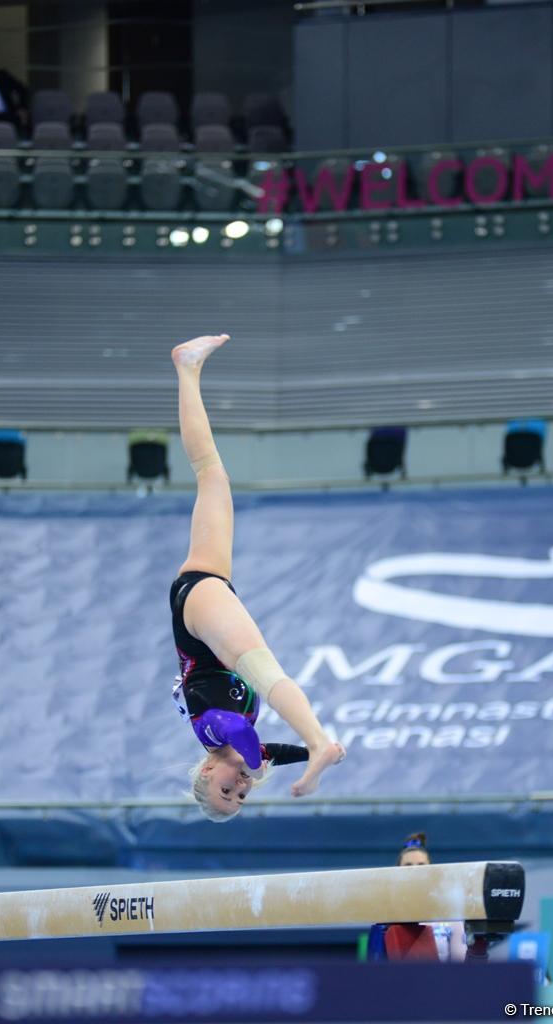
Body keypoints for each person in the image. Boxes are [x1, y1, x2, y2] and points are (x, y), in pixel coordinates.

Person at [170, 333, 345, 822]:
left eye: (229, 793)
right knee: (211, 474)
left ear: (206, 773)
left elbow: (245, 738)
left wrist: (313, 749)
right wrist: (299, 756)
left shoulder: (213, 733)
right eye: (243, 798)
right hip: (200, 594)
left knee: (271, 678)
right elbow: (266, 749)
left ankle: (320, 738)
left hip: (198, 616)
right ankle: (188, 370)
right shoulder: (232, 748)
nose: (241, 788)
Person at [397, 832, 467, 961]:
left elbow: (460, 962)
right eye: (408, 865)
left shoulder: (449, 910)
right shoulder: (388, 911)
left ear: (430, 868)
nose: (415, 870)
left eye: (421, 865)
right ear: (397, 870)